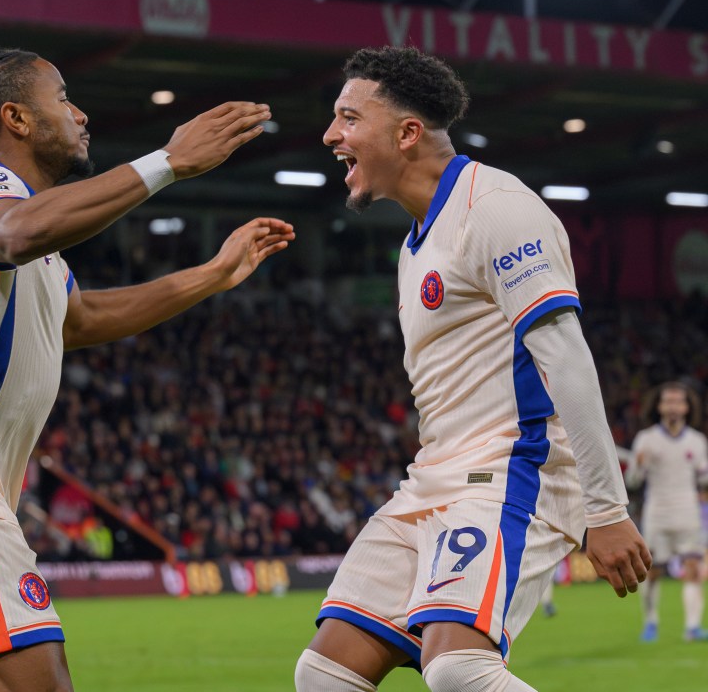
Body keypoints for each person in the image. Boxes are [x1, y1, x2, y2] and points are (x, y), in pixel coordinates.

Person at [0, 48, 294, 692]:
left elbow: (82, 319)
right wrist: (167, 162)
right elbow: (13, 234)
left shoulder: (33, 225)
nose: (80, 113)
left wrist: (212, 275)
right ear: (17, 118)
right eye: (63, 97)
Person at [295, 45, 650, 692]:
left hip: (515, 466)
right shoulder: (415, 244)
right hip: (433, 477)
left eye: (348, 117)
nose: (330, 135)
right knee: (324, 672)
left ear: (407, 134)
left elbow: (567, 359)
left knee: (459, 669)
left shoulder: (496, 208)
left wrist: (606, 507)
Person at [625, 382, 708, 642]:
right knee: (652, 571)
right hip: (657, 511)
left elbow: (703, 478)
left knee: (693, 567)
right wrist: (638, 467)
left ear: (686, 407)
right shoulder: (646, 439)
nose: (673, 406)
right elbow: (632, 482)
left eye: (678, 401)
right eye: (668, 401)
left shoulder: (697, 441)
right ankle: (650, 623)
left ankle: (692, 627)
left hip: (687, 511)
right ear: (659, 406)